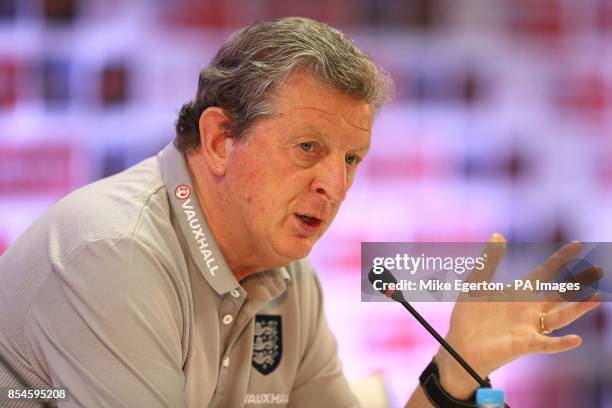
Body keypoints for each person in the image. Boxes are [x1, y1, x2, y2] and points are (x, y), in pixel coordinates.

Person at [0, 17, 601, 408]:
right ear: (218, 140)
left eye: (353, 158)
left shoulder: (289, 278)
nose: (335, 185)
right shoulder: (114, 252)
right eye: (309, 148)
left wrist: (456, 369)